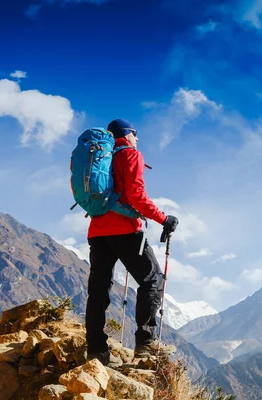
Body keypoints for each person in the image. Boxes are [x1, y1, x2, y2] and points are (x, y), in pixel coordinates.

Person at [85, 118, 178, 364]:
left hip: (97, 231)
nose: (137, 139)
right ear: (127, 134)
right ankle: (146, 343)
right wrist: (163, 218)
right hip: (125, 230)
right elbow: (135, 195)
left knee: (98, 290)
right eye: (136, 134)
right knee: (152, 280)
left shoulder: (97, 158)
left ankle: (95, 349)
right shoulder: (130, 154)